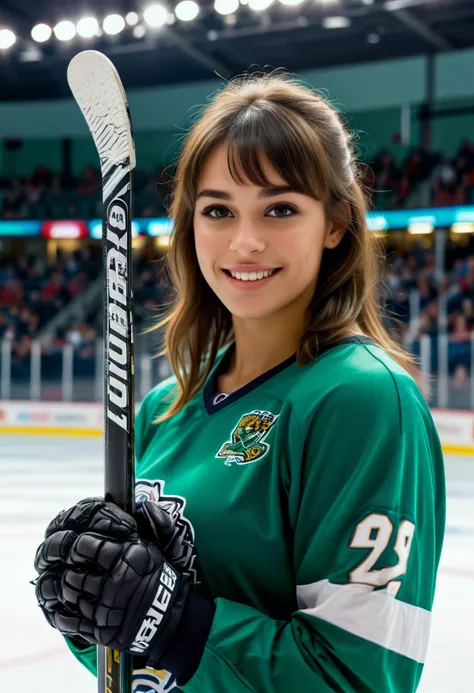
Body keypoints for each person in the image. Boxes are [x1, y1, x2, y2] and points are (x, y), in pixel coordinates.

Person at [33, 73, 446, 693]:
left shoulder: (362, 399)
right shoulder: (161, 408)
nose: (245, 242)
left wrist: (175, 624)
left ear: (336, 222)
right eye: (219, 210)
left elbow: (360, 677)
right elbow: (129, 657)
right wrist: (90, 604)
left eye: (280, 209)